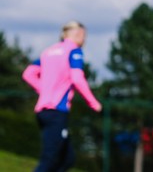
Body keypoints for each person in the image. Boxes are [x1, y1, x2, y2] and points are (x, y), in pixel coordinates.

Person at [22, 20, 103, 172]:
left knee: (67, 159)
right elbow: (77, 78)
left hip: (42, 111)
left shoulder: (48, 51)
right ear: (78, 34)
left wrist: (44, 90)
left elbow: (28, 74)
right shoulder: (74, 51)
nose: (84, 40)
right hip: (56, 111)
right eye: (84, 36)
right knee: (49, 160)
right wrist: (93, 102)